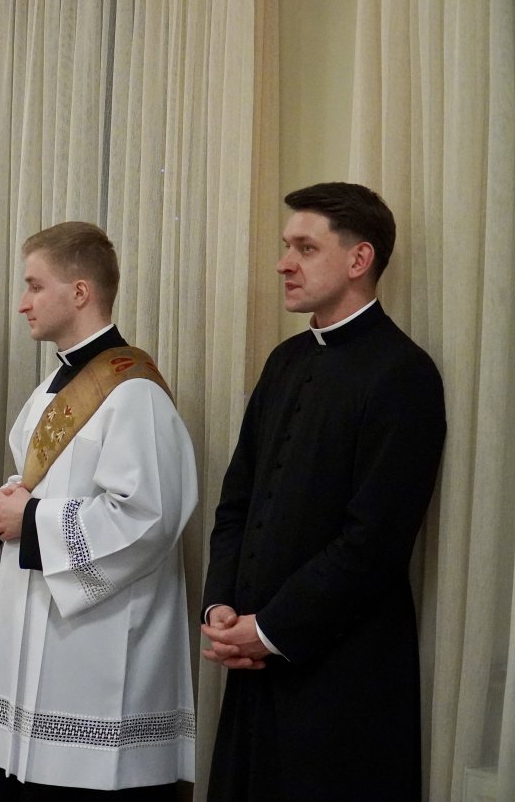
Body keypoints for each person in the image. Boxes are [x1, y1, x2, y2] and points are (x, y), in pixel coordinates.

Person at [201, 182, 446, 801]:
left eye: (305, 248)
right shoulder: (284, 360)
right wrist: (221, 606)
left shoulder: (404, 373)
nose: (284, 263)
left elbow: (374, 543)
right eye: (287, 246)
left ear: (359, 259)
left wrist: (271, 628)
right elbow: (237, 500)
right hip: (253, 661)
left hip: (343, 679)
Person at [0, 222, 197, 801]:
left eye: (34, 286)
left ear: (79, 292)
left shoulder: (134, 391)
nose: (22, 303)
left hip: (98, 653)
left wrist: (33, 520)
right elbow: (42, 483)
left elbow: (148, 516)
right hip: (33, 630)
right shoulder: (51, 384)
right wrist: (8, 507)